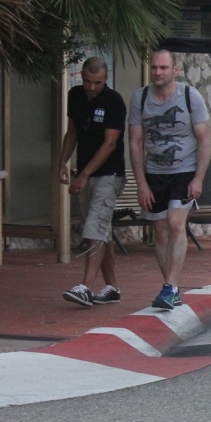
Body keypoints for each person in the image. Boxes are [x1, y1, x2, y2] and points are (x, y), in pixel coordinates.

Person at [128, 50, 211, 310]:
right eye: (154, 67)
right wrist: (141, 183)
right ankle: (169, 286)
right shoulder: (140, 99)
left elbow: (205, 139)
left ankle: (172, 286)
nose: (157, 73)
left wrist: (198, 178)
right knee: (160, 231)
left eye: (163, 68)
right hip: (154, 172)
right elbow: (135, 143)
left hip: (183, 169)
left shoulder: (190, 97)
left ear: (175, 70)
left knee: (175, 224)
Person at [59, 57, 126, 307]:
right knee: (99, 228)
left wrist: (84, 174)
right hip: (84, 171)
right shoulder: (75, 95)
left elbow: (110, 144)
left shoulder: (114, 102)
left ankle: (85, 287)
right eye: (87, 81)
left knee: (95, 226)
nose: (91, 87)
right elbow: (72, 131)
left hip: (109, 174)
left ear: (105, 80)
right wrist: (63, 163)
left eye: (97, 83)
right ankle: (112, 287)